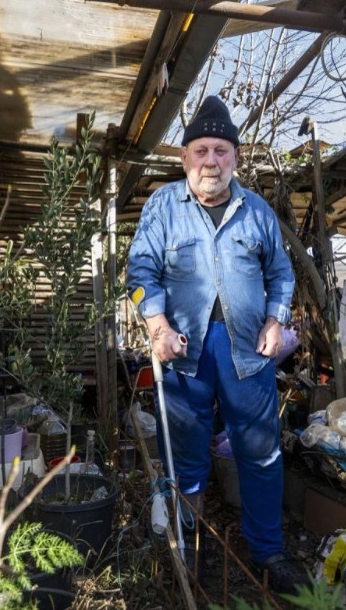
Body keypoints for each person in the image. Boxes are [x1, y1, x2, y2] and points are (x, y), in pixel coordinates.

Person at [127, 95, 310, 594]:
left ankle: (268, 552)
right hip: (184, 352)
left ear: (236, 156)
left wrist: (276, 320)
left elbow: (281, 273)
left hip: (247, 354)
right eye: (202, 150)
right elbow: (140, 272)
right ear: (186, 157)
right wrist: (157, 325)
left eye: (221, 151)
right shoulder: (163, 205)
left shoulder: (257, 212)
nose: (211, 161)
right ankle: (186, 548)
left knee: (261, 454)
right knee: (186, 457)